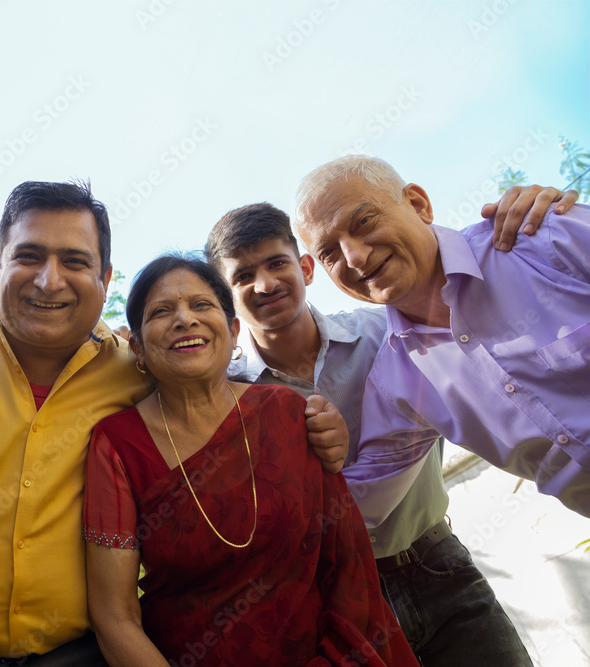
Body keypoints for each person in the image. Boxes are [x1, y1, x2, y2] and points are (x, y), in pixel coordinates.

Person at [0, 180, 348, 665]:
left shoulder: (139, 371)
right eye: (29, 256)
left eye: (75, 261)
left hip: (84, 656)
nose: (50, 281)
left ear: (105, 278)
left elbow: (219, 398)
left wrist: (317, 421)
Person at [204, 198, 571, 664]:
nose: (265, 283)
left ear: (306, 268)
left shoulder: (388, 332)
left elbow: (479, 311)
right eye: (242, 276)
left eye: (277, 263)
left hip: (439, 564)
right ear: (226, 298)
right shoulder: (223, 396)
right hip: (332, 601)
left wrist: (535, 209)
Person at [83, 253, 418, 666]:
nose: (185, 319)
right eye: (161, 311)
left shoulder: (286, 412)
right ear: (137, 348)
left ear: (233, 330)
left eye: (201, 304)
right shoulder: (118, 445)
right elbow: (114, 617)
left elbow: (346, 562)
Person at [293, 155, 590, 517]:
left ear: (418, 204)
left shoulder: (545, 238)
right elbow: (356, 506)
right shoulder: (397, 383)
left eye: (364, 221)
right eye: (329, 253)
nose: (354, 257)